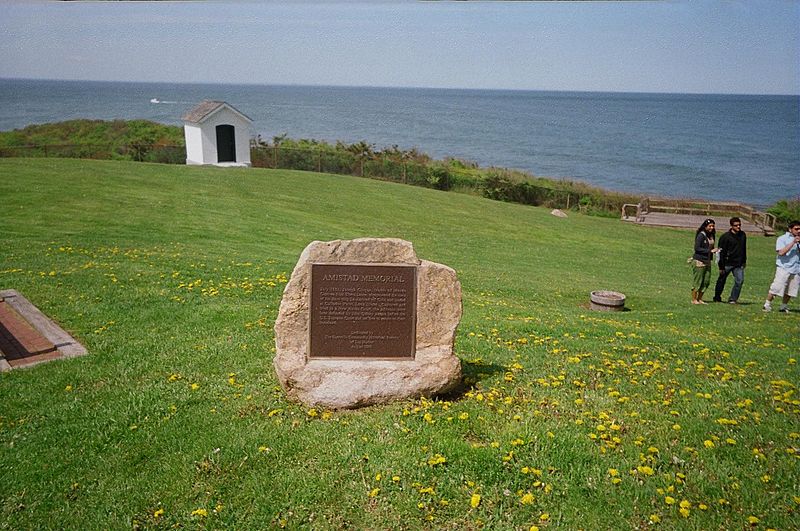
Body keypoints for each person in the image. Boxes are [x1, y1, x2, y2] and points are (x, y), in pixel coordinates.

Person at [763, 220, 800, 313]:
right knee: (777, 286)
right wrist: (793, 243)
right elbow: (781, 252)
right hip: (784, 267)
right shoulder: (782, 238)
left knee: (791, 289)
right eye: (796, 229)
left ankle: (784, 306)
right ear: (790, 229)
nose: (799, 231)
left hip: (796, 268)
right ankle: (767, 304)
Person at [713, 217, 747, 303]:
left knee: (740, 281)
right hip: (727, 263)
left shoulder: (743, 235)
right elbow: (720, 252)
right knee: (721, 280)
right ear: (731, 226)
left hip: (738, 264)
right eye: (736, 225)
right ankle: (717, 297)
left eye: (739, 225)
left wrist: (744, 261)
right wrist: (721, 266)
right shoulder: (725, 237)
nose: (738, 227)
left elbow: (744, 249)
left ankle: (733, 299)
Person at [691, 218, 719, 305]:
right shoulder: (701, 235)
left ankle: (700, 298)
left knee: (706, 281)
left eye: (713, 226)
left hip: (707, 261)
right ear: (705, 226)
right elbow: (697, 248)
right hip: (699, 260)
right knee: (698, 281)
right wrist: (709, 251)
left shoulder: (712, 235)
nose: (711, 228)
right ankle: (694, 299)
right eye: (710, 226)